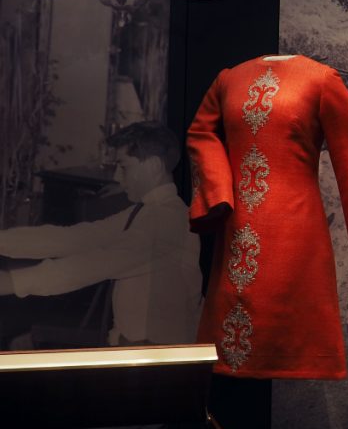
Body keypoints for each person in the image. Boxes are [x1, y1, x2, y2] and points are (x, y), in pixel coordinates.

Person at [0, 121, 203, 346]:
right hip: (129, 346)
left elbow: (90, 266)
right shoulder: (146, 212)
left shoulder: (168, 221)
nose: (117, 177)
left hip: (159, 358)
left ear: (153, 166)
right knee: (20, 345)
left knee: (19, 348)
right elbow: (75, 238)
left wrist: (11, 282)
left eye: (124, 167)